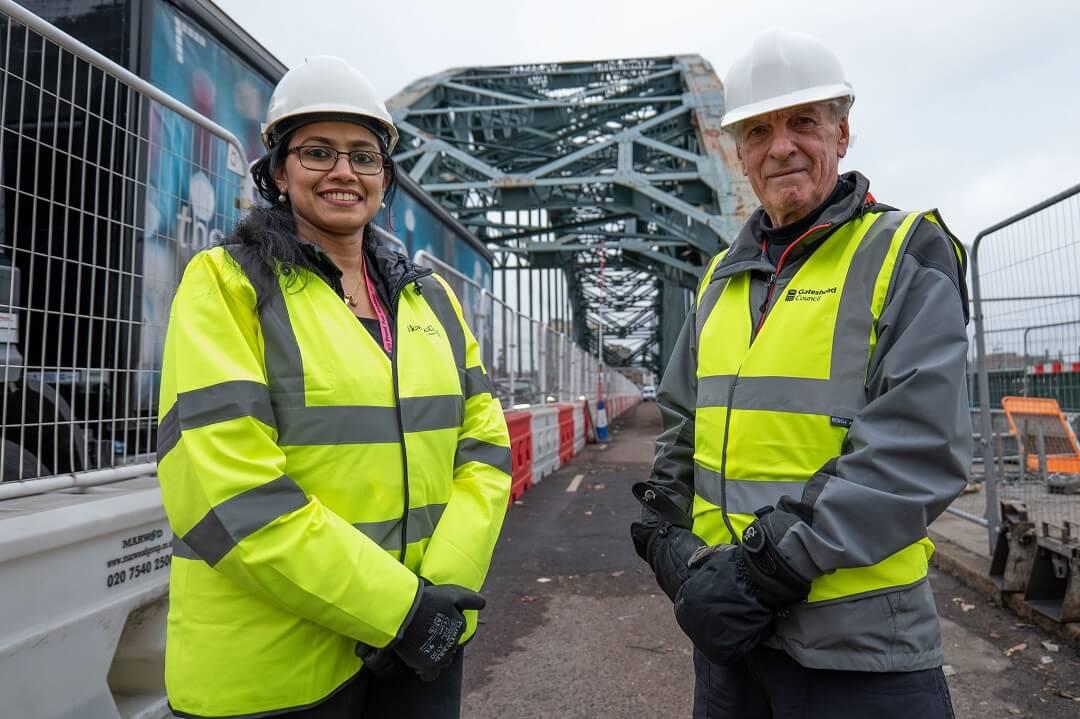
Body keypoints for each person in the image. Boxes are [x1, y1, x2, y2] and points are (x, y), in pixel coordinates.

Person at [630, 29, 971, 718]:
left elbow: (918, 449)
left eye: (803, 123)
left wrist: (762, 569)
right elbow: (679, 435)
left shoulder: (904, 254)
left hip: (862, 656)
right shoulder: (719, 285)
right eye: (758, 130)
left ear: (842, 135)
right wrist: (670, 547)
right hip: (734, 649)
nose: (781, 145)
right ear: (738, 154)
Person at [157, 56, 511, 719]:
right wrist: (399, 610)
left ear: (384, 177)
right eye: (317, 152)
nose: (343, 171)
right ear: (279, 171)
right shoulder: (228, 285)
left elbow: (485, 451)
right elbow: (225, 491)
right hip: (272, 678)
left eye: (363, 156)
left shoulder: (429, 300)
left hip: (420, 653)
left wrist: (442, 599)